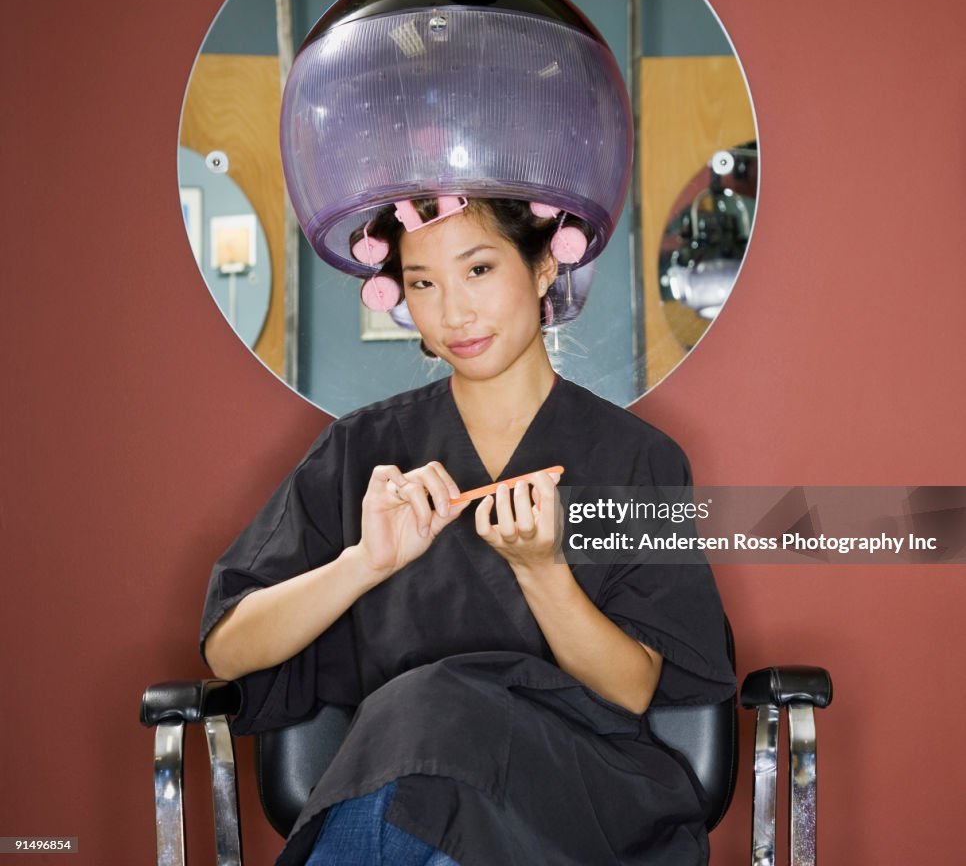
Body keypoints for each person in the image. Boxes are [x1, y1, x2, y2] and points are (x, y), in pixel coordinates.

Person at [201, 197, 736, 865]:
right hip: (408, 789)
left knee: (431, 704)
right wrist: (364, 563)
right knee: (428, 785)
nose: (453, 311)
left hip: (577, 798)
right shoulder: (362, 453)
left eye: (478, 270)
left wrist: (544, 572)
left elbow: (628, 689)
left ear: (545, 266)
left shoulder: (637, 461)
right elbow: (227, 651)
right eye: (423, 282)